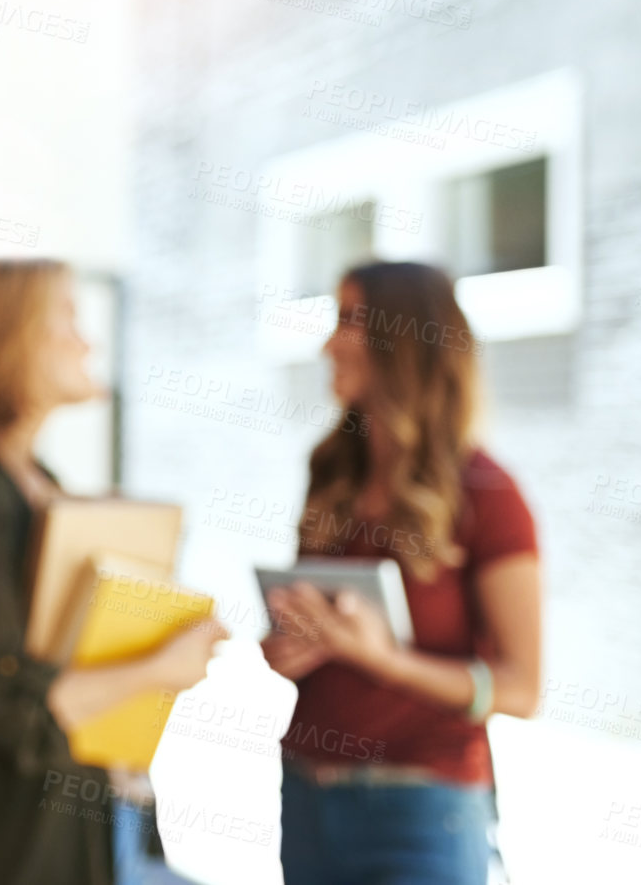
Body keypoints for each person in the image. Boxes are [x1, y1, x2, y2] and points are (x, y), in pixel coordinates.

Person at [0, 260, 226, 885]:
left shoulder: (43, 488)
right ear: (6, 344)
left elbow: (56, 675)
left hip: (67, 830)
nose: (86, 341)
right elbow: (10, 709)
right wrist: (160, 669)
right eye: (66, 319)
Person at [262, 261, 542, 885]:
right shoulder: (332, 471)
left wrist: (385, 658)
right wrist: (291, 645)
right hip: (307, 795)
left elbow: (523, 690)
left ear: (405, 338)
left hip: (422, 810)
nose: (327, 344)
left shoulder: (489, 495)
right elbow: (305, 642)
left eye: (348, 321)